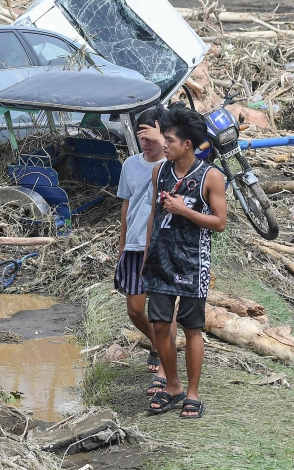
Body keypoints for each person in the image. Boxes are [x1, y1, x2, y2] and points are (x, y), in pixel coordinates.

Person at [143, 106, 227, 419]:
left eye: (169, 139)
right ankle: (173, 386)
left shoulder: (211, 177)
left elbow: (219, 222)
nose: (163, 144)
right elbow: (154, 214)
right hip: (160, 261)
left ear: (187, 144)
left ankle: (192, 393)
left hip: (192, 263)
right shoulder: (159, 172)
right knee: (161, 325)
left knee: (192, 328)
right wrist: (146, 255)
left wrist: (185, 211)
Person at [115, 106, 173, 397]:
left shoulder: (173, 164)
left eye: (150, 136)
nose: (145, 143)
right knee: (135, 309)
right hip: (135, 245)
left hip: (163, 247)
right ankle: (158, 343)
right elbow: (127, 205)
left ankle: (165, 367)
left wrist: (163, 142)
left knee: (163, 312)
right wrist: (122, 244)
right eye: (141, 138)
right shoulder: (130, 165)